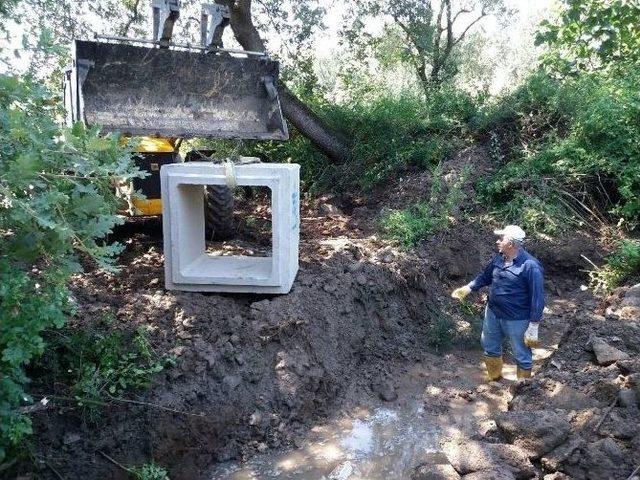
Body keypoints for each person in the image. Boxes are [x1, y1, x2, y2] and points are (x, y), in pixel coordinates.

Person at [451, 225, 544, 380]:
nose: (497, 241)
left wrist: (534, 324)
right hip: (493, 313)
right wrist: (468, 288)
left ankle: (523, 389)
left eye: (501, 238)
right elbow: (485, 277)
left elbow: (538, 297)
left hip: (517, 318)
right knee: (489, 346)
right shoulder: (498, 259)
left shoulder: (530, 266)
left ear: (512, 244)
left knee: (521, 353)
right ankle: (494, 378)